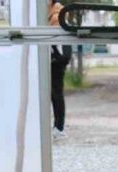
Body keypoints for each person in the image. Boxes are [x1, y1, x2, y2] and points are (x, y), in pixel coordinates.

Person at [49, 0, 72, 141]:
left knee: (55, 92)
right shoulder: (51, 11)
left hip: (57, 56)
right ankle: (58, 127)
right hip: (54, 55)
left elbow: (54, 36)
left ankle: (59, 127)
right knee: (53, 92)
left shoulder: (57, 12)